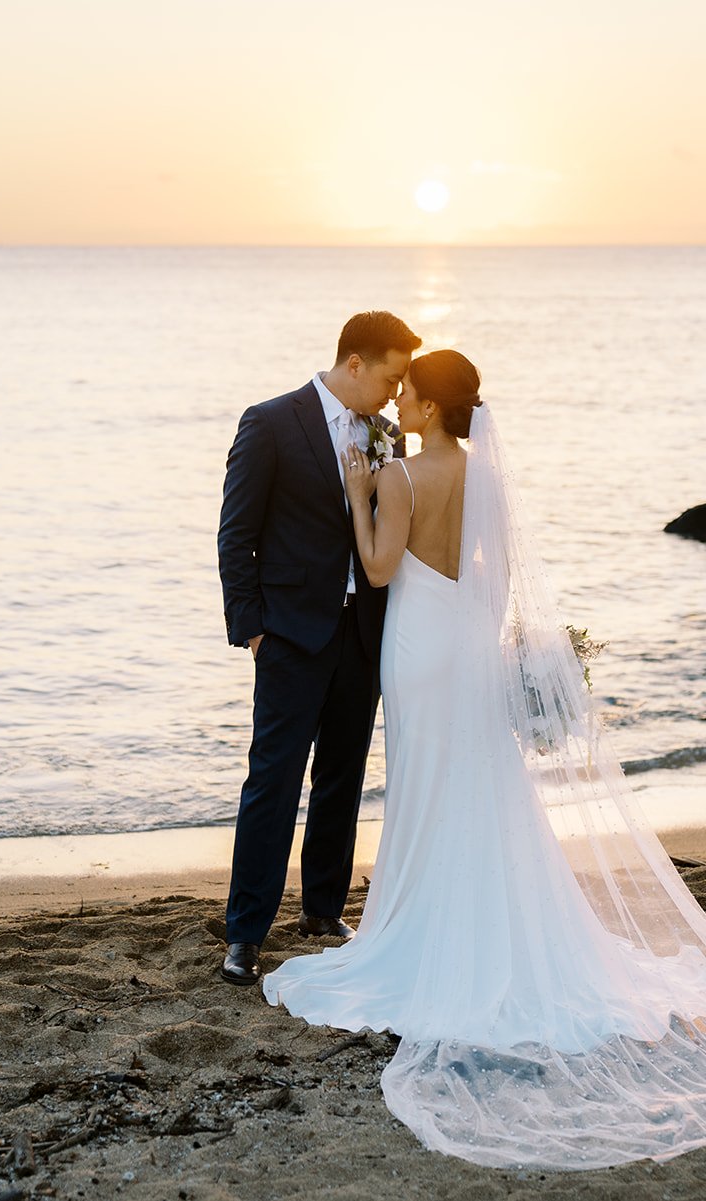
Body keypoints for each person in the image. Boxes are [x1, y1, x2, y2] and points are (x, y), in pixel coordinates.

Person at [262, 348, 706, 1169]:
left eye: (410, 395)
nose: (402, 404)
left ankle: (418, 922)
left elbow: (381, 568)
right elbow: (489, 577)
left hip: (419, 651)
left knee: (424, 786)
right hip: (468, 647)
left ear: (427, 407)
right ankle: (473, 914)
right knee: (480, 789)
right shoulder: (484, 476)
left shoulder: (401, 477)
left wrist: (359, 493)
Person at [215, 311, 420, 987]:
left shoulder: (385, 435)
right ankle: (245, 932)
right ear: (355, 365)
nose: (395, 394)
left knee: (342, 776)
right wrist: (250, 625)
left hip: (362, 636)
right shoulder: (270, 422)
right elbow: (235, 532)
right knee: (272, 782)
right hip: (290, 634)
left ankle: (324, 910)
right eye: (390, 377)